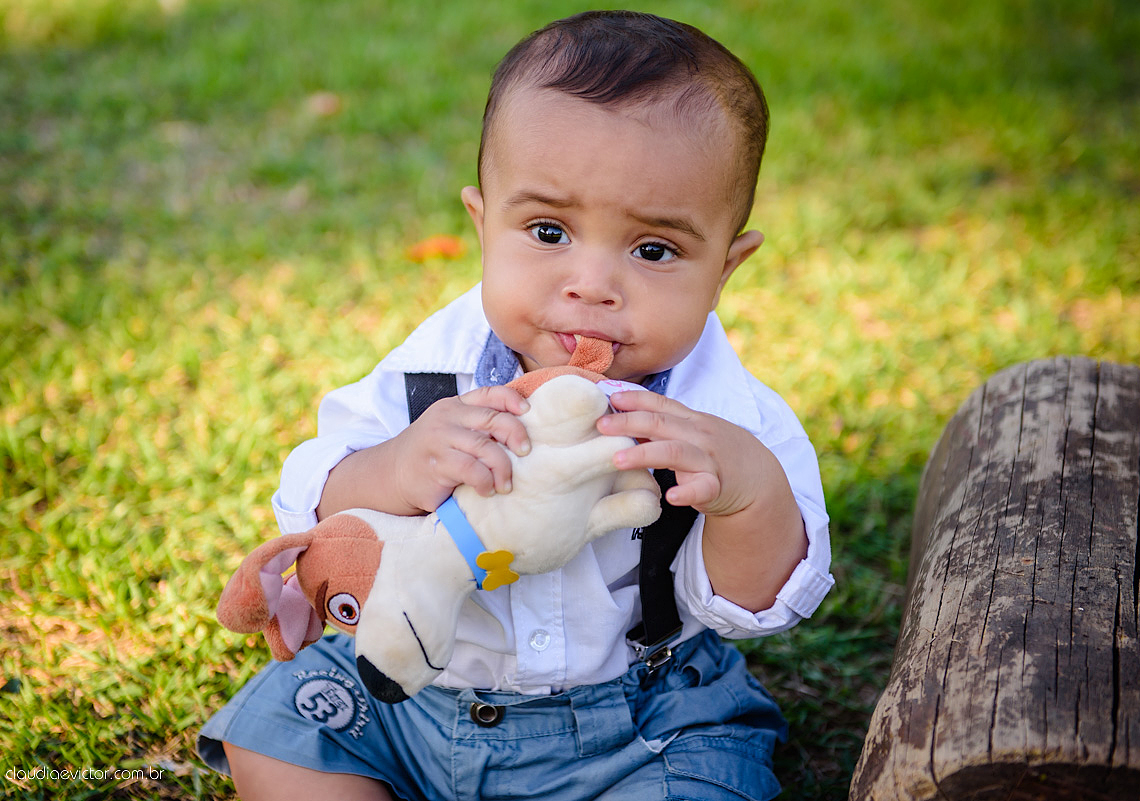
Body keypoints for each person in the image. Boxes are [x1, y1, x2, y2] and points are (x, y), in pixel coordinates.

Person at [199, 10, 834, 800]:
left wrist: (748, 493)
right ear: (483, 224)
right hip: (413, 687)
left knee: (702, 781)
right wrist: (397, 465)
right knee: (288, 737)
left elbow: (760, 604)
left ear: (726, 266)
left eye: (654, 250)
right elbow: (314, 491)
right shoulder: (433, 372)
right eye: (546, 230)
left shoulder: (730, 423)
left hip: (640, 718)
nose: (592, 284)